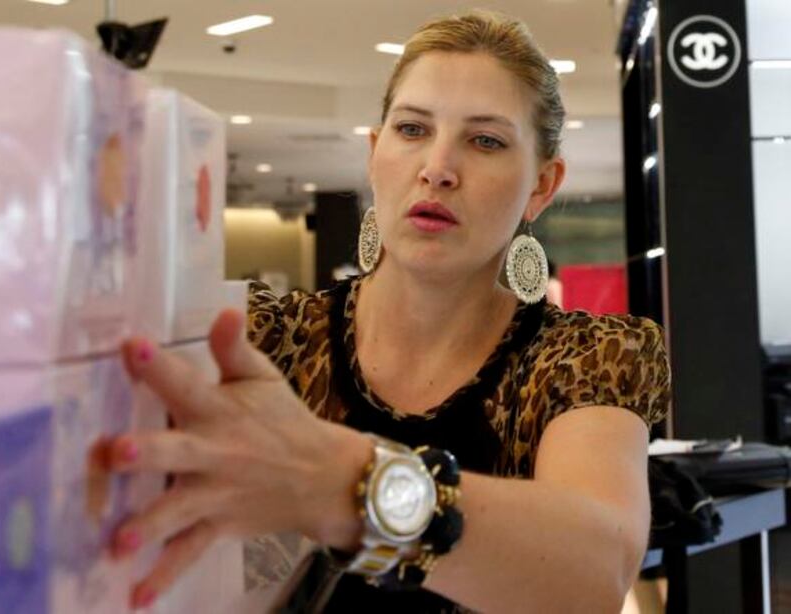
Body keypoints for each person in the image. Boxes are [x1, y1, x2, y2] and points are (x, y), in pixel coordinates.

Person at [106, 11, 670, 613]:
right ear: (376, 156)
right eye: (411, 129)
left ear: (541, 185)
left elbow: (594, 572)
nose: (437, 168)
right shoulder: (265, 337)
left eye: (485, 140)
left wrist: (341, 484)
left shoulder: (582, 358)